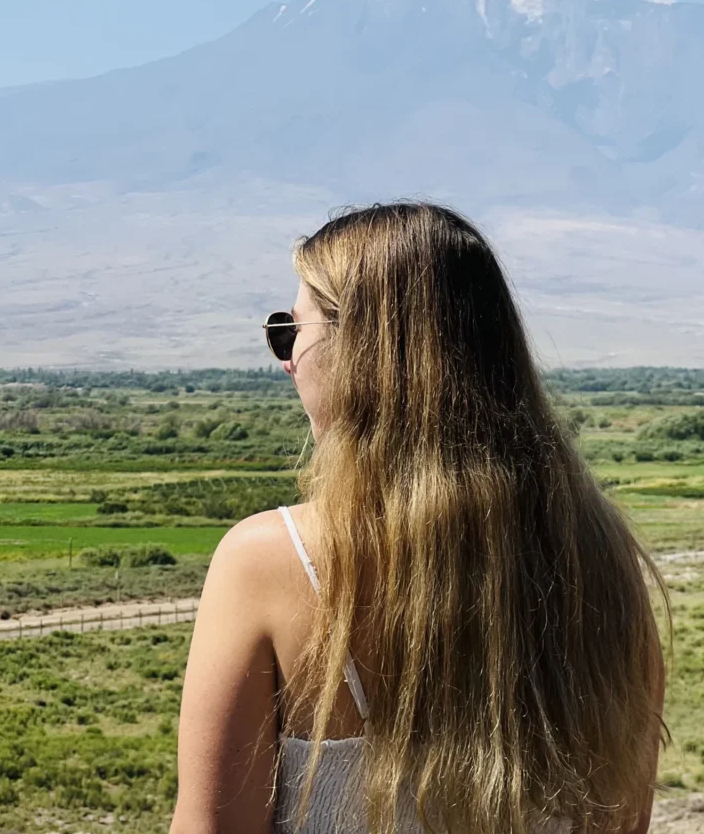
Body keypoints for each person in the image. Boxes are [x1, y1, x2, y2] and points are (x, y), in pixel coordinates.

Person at [169, 202, 668, 834]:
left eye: (290, 331)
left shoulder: (272, 559)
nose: (287, 359)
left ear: (361, 349)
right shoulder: (601, 562)